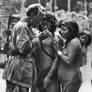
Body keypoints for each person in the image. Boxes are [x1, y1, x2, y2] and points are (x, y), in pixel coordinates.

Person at [3, 3, 50, 92]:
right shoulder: (22, 26)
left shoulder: (27, 26)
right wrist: (39, 38)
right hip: (19, 69)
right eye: (39, 18)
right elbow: (24, 48)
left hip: (21, 69)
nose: (40, 21)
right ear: (32, 14)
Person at [33, 12, 60, 92]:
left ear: (52, 25)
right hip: (37, 73)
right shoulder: (37, 37)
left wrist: (49, 76)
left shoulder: (56, 38)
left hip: (50, 73)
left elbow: (57, 58)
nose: (44, 26)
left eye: (47, 24)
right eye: (42, 24)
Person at [53, 18, 83, 92]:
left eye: (64, 30)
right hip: (67, 80)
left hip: (71, 79)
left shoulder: (74, 42)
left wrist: (58, 51)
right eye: (61, 29)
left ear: (72, 30)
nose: (61, 32)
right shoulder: (68, 41)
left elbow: (69, 61)